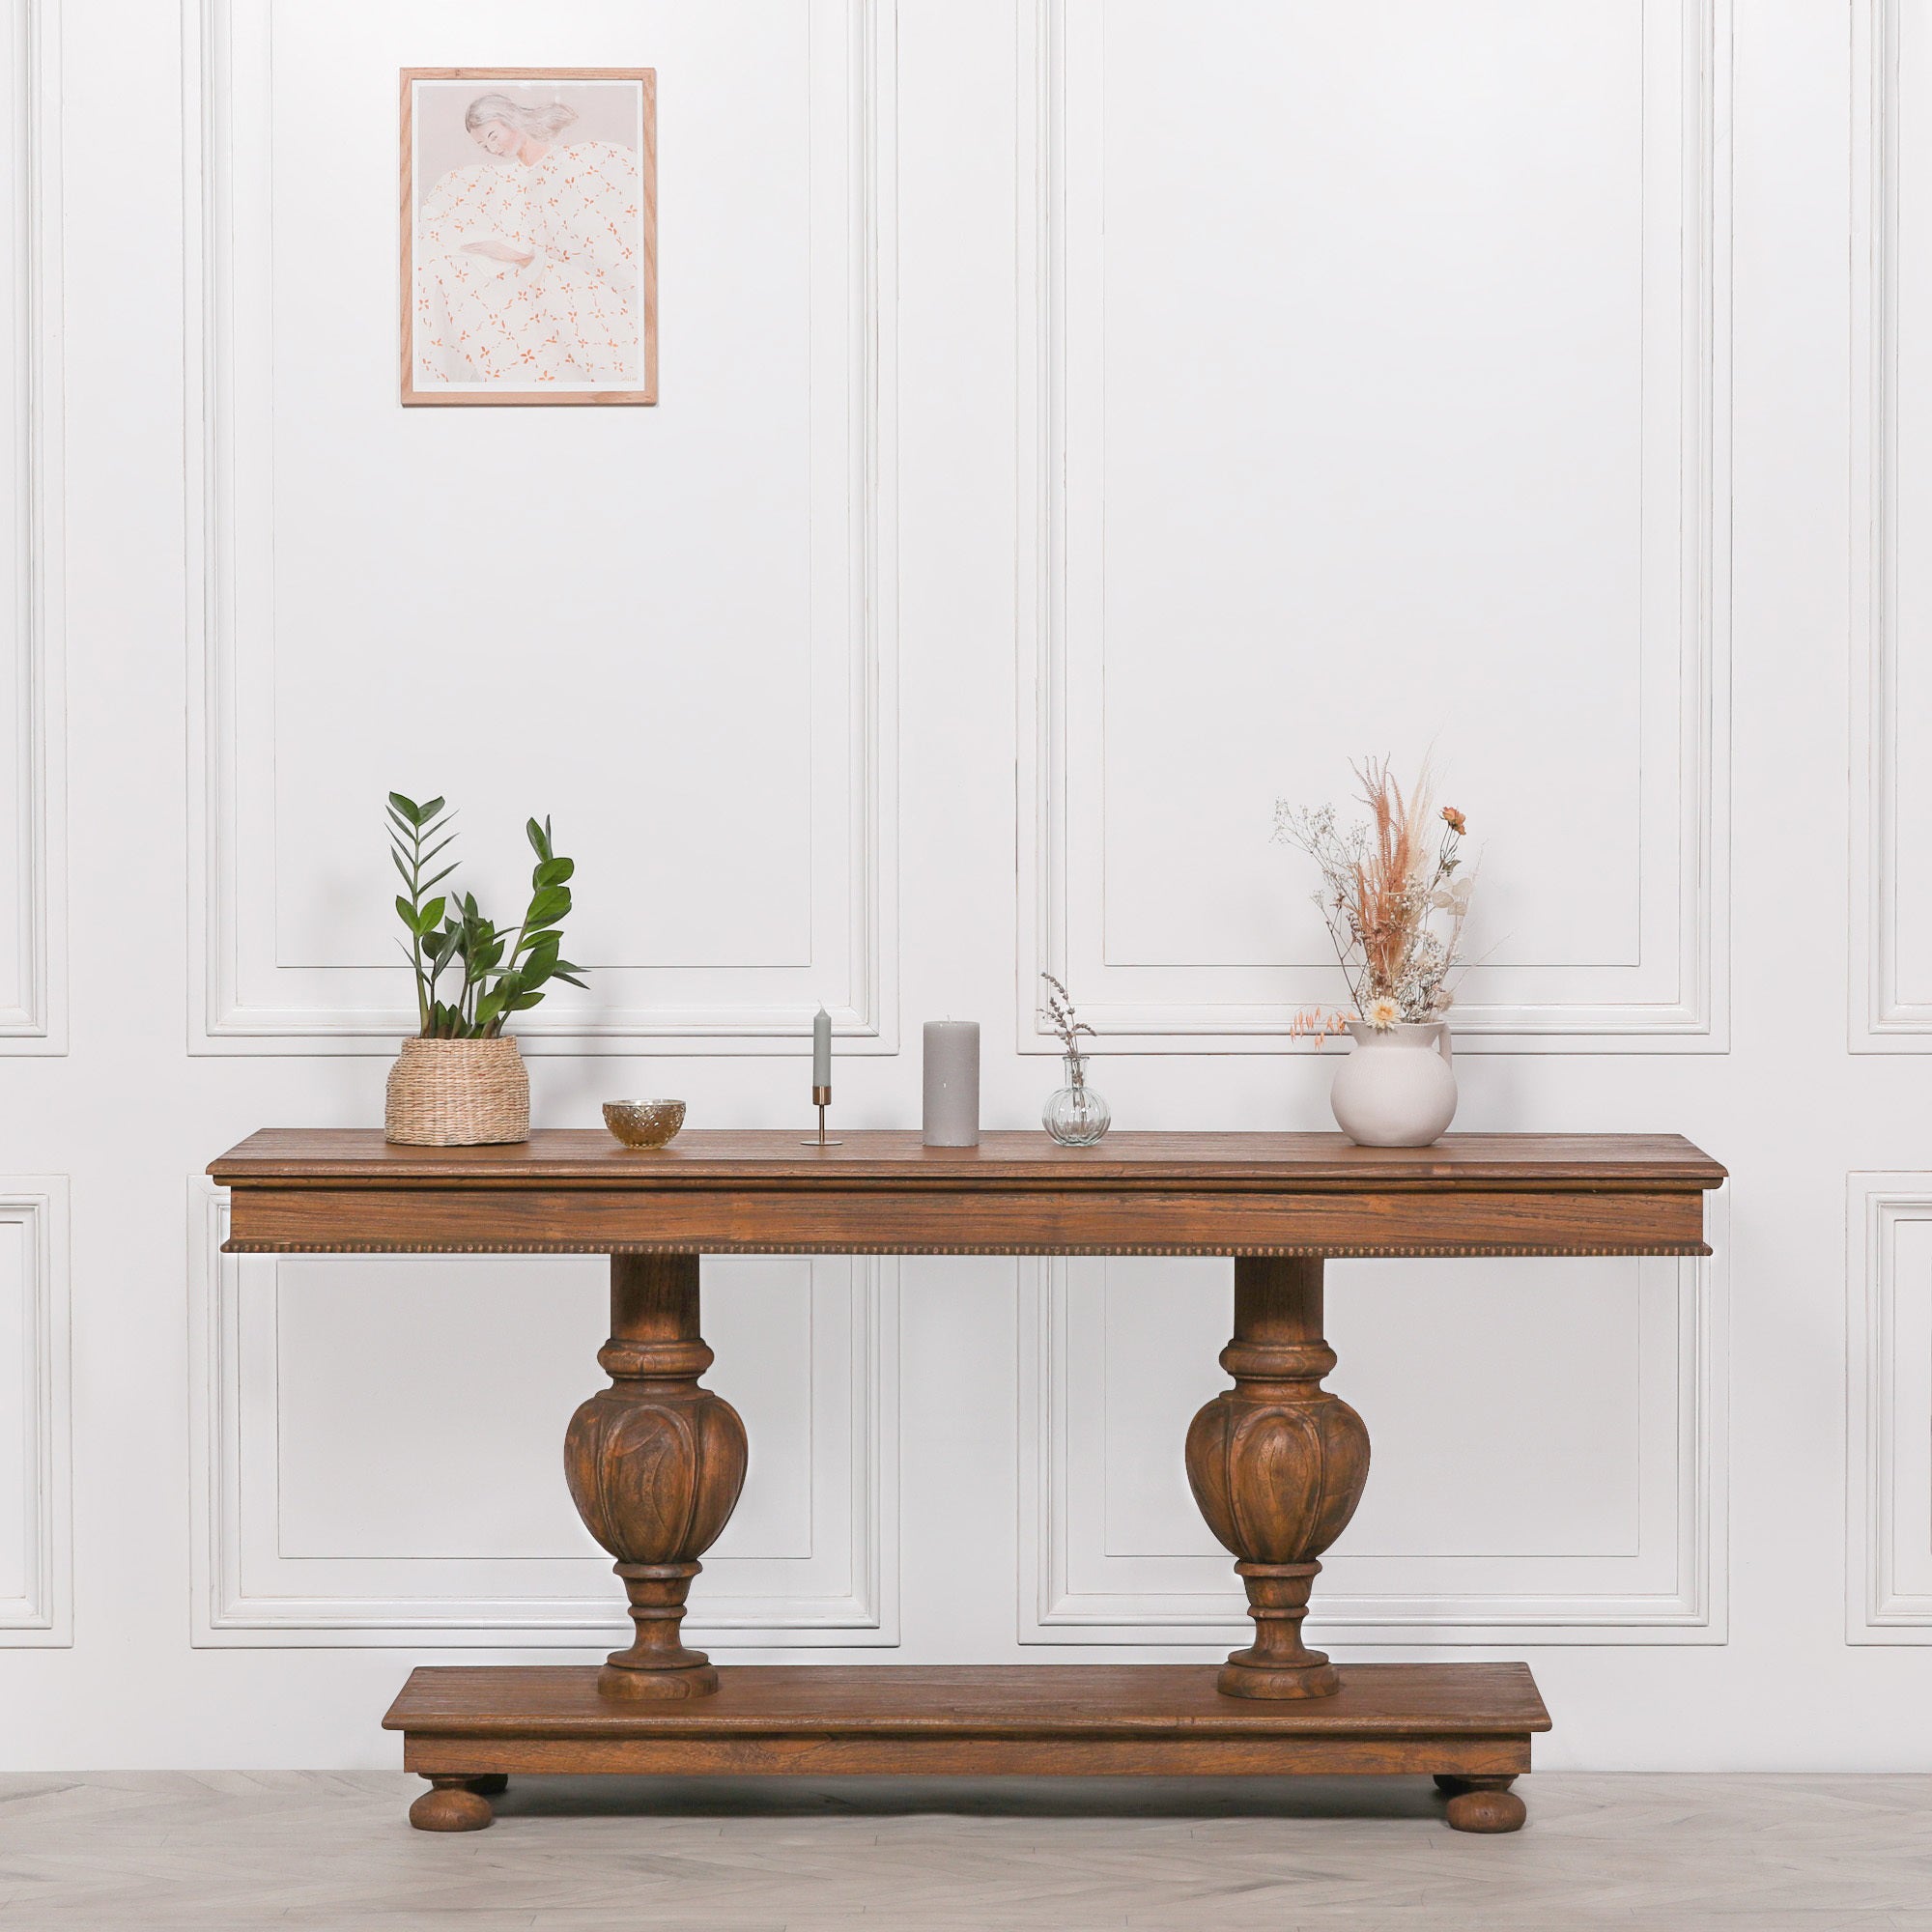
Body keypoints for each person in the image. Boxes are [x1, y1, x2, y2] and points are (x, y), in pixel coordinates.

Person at [412, 93, 643, 388]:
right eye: (484, 145)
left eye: (494, 136)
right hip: (528, 279)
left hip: (571, 287)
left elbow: (584, 250)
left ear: (512, 121)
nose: (493, 148)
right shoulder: (505, 181)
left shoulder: (574, 164)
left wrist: (514, 255)